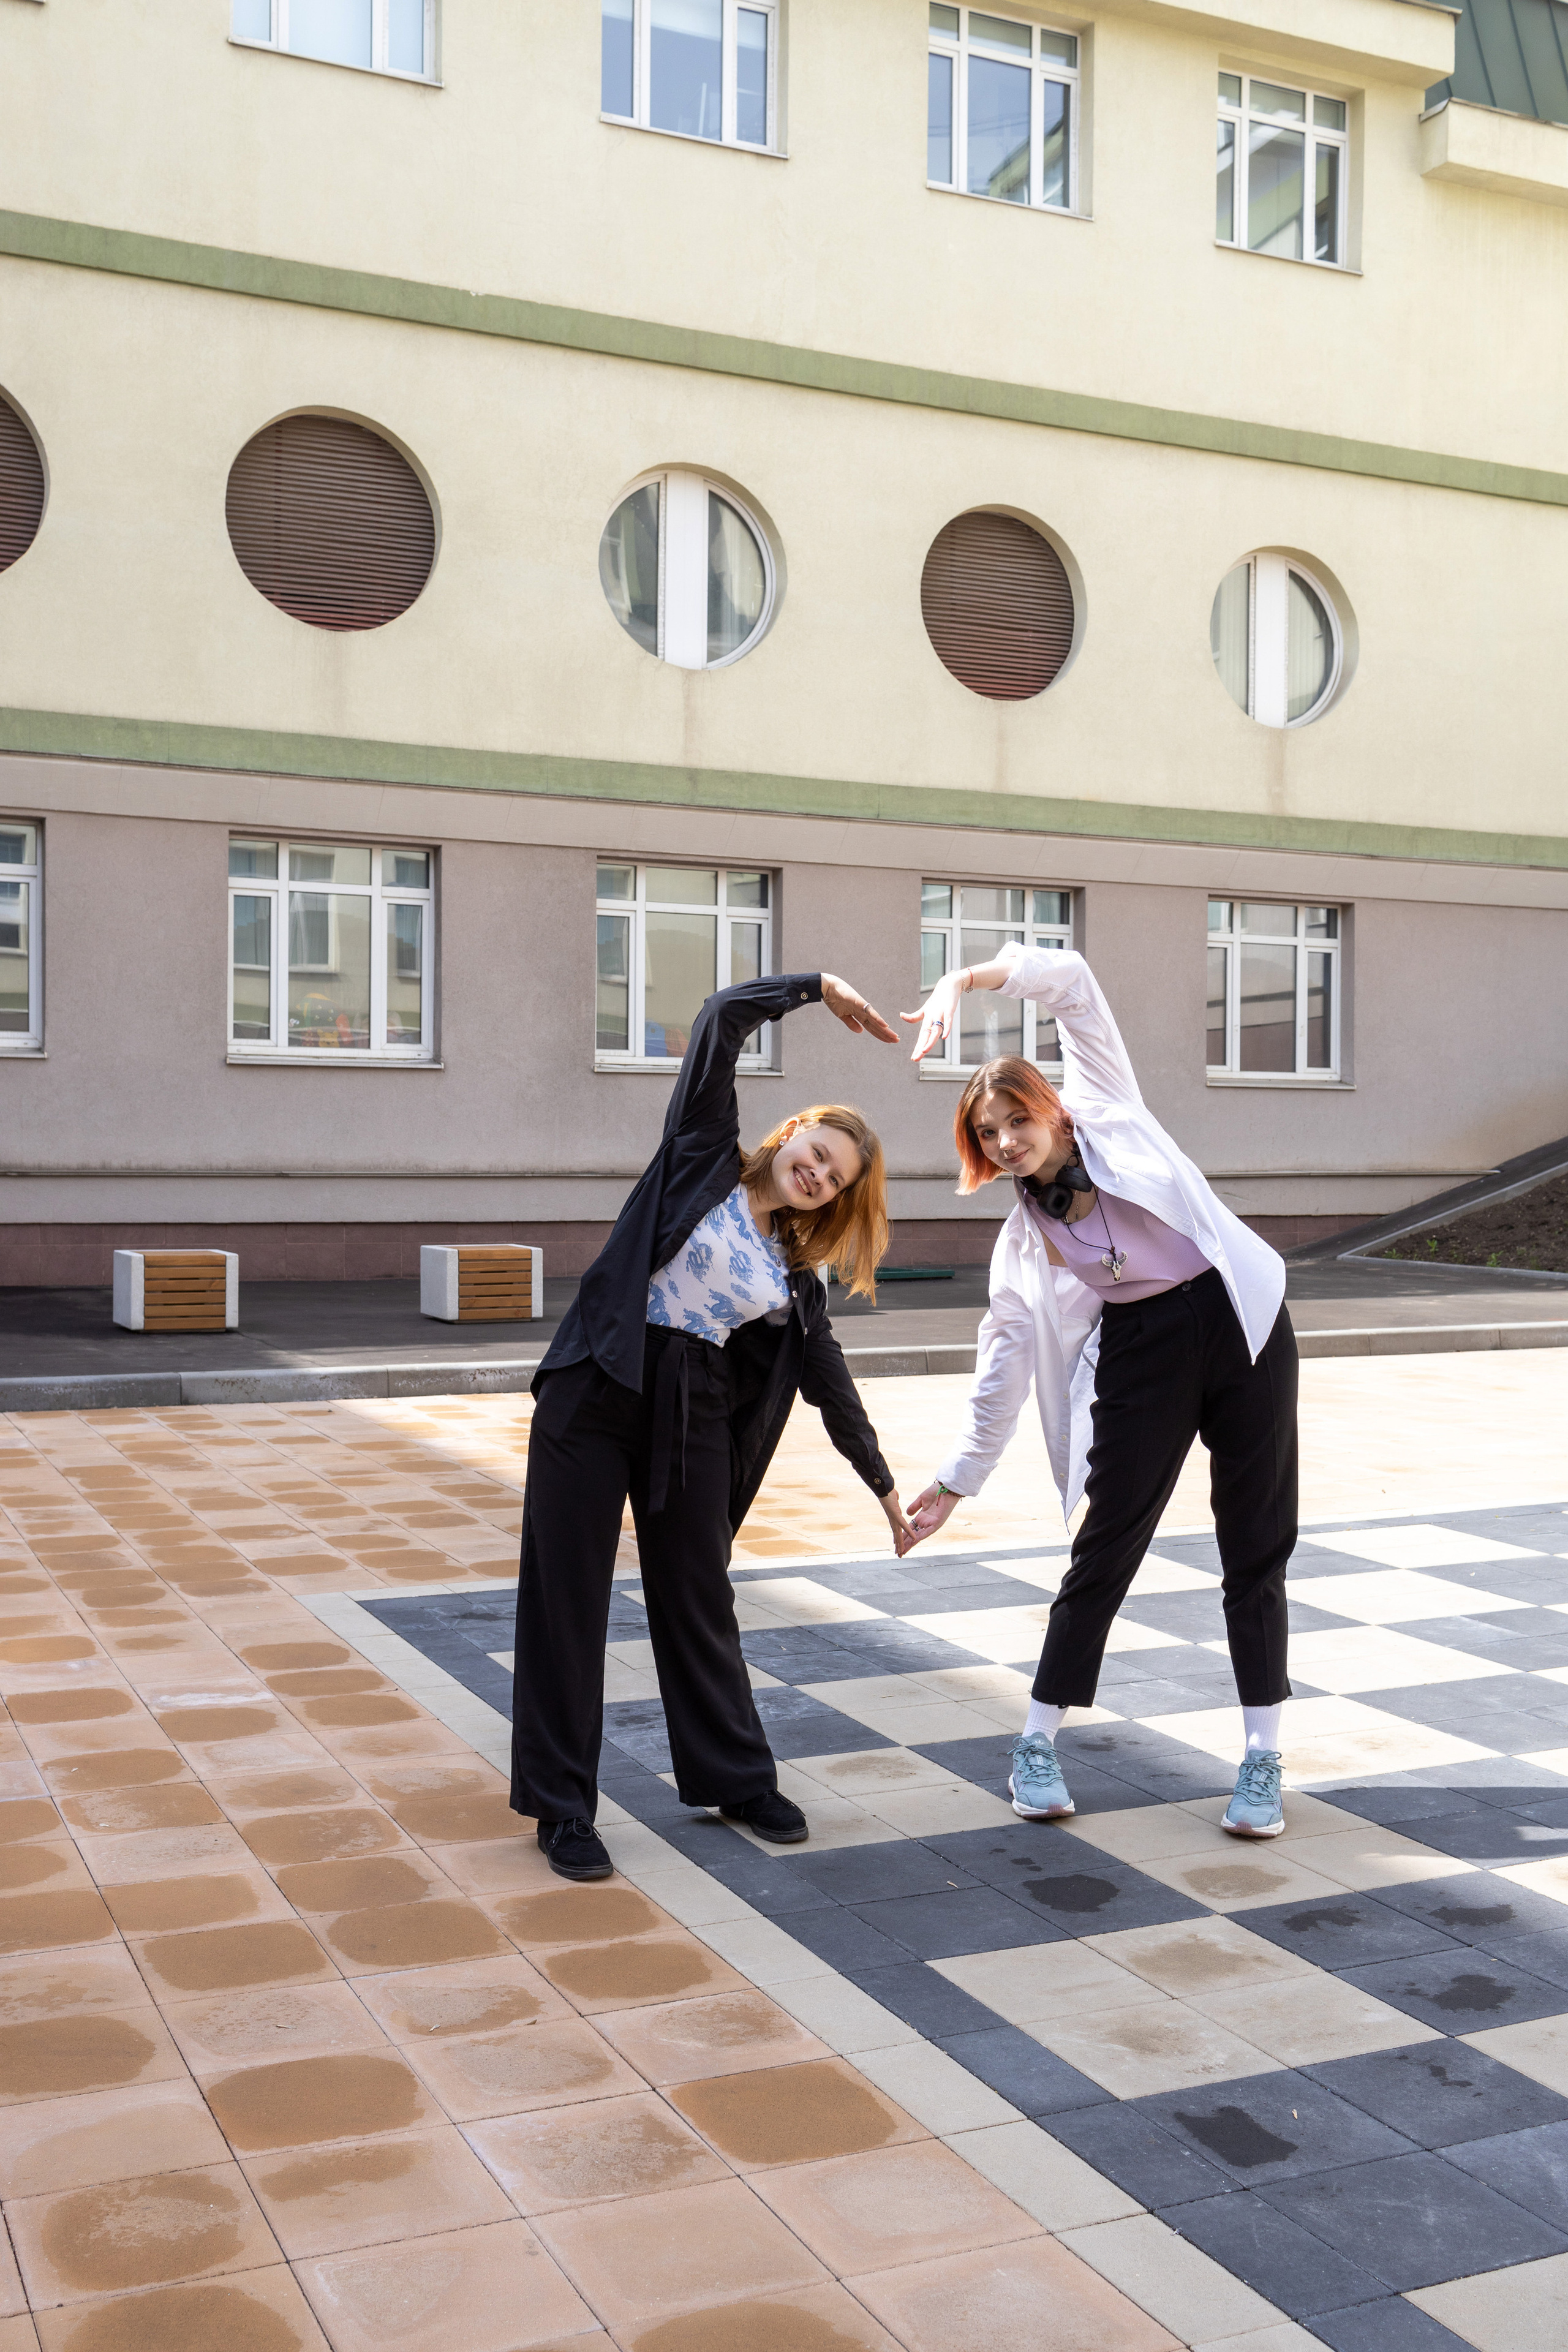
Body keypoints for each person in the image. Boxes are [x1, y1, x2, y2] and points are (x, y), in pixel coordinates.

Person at [513, 968, 916, 1882]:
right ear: (788, 1136)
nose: (814, 1172)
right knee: (566, 1599)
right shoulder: (702, 1155)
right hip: (600, 1383)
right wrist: (815, 988)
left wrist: (885, 1488)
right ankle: (563, 1807)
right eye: (813, 1150)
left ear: (832, 1201)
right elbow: (718, 1021)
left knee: (699, 1599)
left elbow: (830, 1386)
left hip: (688, 1412)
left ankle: (733, 1778)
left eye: (832, 1178)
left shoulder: (791, 1281)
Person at [903, 944, 1297, 1839]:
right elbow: (1003, 1355)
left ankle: (1261, 1757)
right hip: (1142, 1346)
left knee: (1256, 1546)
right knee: (1105, 1543)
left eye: (1015, 1120)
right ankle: (1037, 1743)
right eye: (988, 1135)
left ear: (1049, 1111)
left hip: (1243, 1324)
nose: (1007, 1142)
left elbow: (1076, 981)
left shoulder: (1109, 1109)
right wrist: (961, 1477)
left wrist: (967, 980)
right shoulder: (1025, 1239)